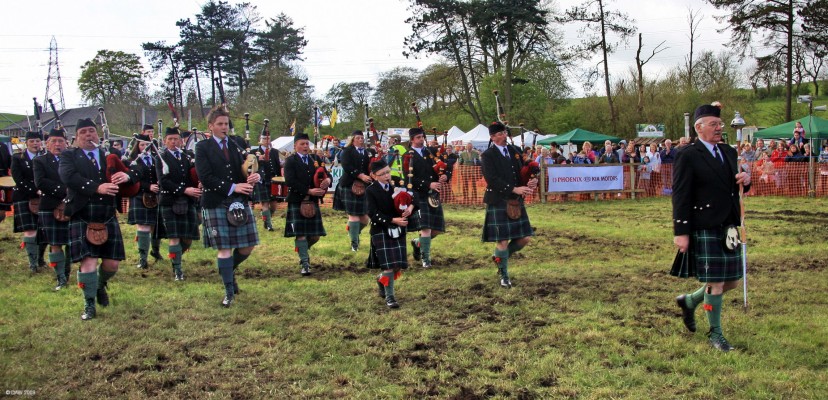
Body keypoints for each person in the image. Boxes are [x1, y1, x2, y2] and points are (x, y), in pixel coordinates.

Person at [671, 104, 751, 352]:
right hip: (704, 224)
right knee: (715, 282)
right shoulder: (688, 154)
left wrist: (745, 180)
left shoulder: (727, 151)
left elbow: (734, 185)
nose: (719, 128)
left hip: (728, 224)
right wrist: (681, 231)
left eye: (720, 124)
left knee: (732, 282)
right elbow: (681, 194)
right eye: (714, 124)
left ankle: (690, 300)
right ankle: (716, 334)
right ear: (699, 127)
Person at [59, 118, 131, 320]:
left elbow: (132, 170)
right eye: (84, 132)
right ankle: (89, 304)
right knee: (88, 261)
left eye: (92, 131)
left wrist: (127, 177)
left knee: (112, 265)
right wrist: (96, 187)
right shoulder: (69, 155)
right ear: (76, 137)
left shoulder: (108, 154)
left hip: (107, 212)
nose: (89, 135)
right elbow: (68, 177)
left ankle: (99, 285)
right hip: (82, 212)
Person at [195, 106, 261, 307]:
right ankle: (228, 291)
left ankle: (228, 270)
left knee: (248, 246)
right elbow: (205, 178)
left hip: (238, 201)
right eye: (220, 124)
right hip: (216, 201)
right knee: (224, 249)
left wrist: (254, 176)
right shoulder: (202, 147)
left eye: (226, 124)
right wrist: (233, 186)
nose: (224, 127)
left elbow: (244, 169)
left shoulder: (235, 144)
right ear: (211, 126)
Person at [481, 122, 537, 288]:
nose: (503, 136)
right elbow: (492, 179)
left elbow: (522, 171)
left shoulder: (515, 151)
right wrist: (514, 189)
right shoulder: (487, 155)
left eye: (504, 132)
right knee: (503, 241)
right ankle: (504, 275)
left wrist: (530, 181)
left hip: (515, 200)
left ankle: (500, 257)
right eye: (499, 134)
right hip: (498, 200)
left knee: (525, 238)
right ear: (492, 137)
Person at [366, 160, 413, 308]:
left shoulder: (396, 184)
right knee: (389, 266)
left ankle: (381, 280)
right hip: (381, 229)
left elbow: (414, 198)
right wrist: (393, 220)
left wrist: (410, 208)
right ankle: (390, 297)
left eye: (388, 171)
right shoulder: (370, 191)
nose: (387, 175)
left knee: (397, 266)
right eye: (383, 174)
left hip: (398, 229)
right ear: (374, 176)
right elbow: (372, 213)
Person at [157, 127, 201, 281]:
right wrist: (184, 190)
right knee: (174, 237)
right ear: (165, 141)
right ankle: (178, 270)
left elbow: (192, 175)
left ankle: (175, 257)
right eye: (170, 139)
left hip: (187, 201)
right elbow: (163, 182)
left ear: (182, 141)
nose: (174, 142)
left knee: (188, 238)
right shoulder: (161, 157)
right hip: (170, 200)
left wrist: (198, 182)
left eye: (176, 139)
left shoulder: (186, 156)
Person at [284, 133, 330, 276]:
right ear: (295, 146)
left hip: (313, 201)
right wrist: (308, 190)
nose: (305, 147)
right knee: (301, 235)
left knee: (315, 235)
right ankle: (305, 264)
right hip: (298, 200)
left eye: (306, 144)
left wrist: (328, 180)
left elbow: (326, 174)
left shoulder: (315, 159)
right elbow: (290, 181)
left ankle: (302, 249)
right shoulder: (290, 161)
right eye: (302, 144)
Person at [33, 127, 72, 290]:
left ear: (66, 143)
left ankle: (68, 272)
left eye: (61, 141)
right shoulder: (40, 161)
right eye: (54, 141)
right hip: (50, 205)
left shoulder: (74, 159)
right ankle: (60, 277)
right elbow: (40, 182)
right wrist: (66, 191)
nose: (57, 144)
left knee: (72, 242)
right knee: (55, 243)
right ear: (47, 144)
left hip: (73, 205)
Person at [405, 127, 446, 269]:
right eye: (418, 137)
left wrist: (445, 176)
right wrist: (428, 184)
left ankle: (417, 242)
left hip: (433, 194)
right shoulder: (407, 156)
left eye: (422, 137)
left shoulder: (431, 152)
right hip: (419, 194)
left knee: (437, 229)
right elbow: (407, 179)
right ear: (412, 140)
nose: (421, 139)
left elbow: (443, 168)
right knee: (426, 227)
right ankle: (426, 259)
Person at [125, 134, 163, 269]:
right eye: (142, 145)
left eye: (147, 145)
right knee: (143, 227)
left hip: (156, 197)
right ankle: (143, 259)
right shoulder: (132, 161)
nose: (145, 148)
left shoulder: (157, 159)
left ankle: (156, 251)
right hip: (139, 196)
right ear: (138, 147)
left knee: (155, 226)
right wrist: (148, 186)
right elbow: (131, 180)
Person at [11, 130, 46, 273]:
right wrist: (35, 190)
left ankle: (40, 258)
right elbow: (18, 179)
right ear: (26, 143)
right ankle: (33, 263)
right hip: (24, 197)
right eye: (32, 141)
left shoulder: (45, 158)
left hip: (44, 197)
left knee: (44, 231)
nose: (35, 143)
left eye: (37, 141)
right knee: (30, 231)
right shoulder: (17, 158)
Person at [333, 130, 372, 252]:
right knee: (354, 216)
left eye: (362, 138)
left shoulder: (366, 152)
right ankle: (354, 244)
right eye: (358, 138)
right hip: (348, 185)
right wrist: (360, 176)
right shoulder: (346, 151)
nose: (361, 140)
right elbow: (346, 166)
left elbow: (368, 167)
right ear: (353, 139)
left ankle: (352, 232)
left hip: (362, 186)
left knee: (365, 219)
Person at [249, 133, 277, 231]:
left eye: (268, 138)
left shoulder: (274, 152)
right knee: (265, 204)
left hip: (273, 180)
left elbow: (278, 165)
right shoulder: (254, 151)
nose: (267, 140)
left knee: (274, 205)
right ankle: (269, 225)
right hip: (261, 181)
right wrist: (257, 158)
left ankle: (266, 218)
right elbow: (248, 164)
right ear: (260, 139)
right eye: (264, 138)